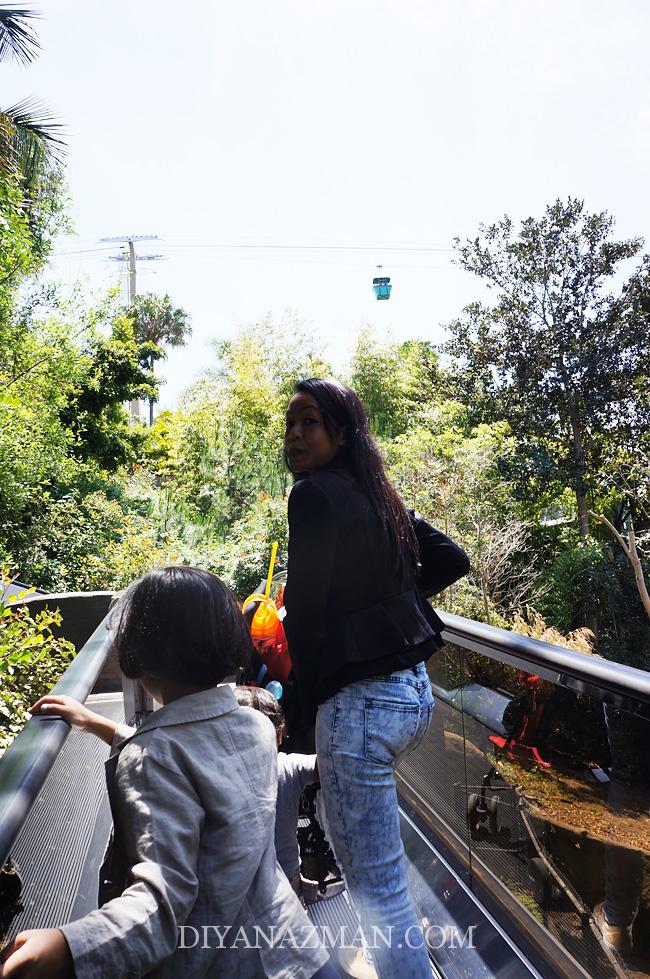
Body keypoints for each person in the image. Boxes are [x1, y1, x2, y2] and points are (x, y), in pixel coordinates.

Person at [0, 567, 337, 979]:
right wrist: (94, 722)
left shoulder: (151, 758)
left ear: (139, 655)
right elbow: (200, 753)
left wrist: (70, 947)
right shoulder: (256, 727)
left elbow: (163, 903)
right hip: (296, 950)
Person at [283, 379, 470, 979]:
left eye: (309, 421)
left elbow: (306, 618)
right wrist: (388, 611)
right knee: (380, 880)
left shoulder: (313, 496)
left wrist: (302, 722)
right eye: (289, 423)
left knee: (378, 894)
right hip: (412, 697)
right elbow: (451, 559)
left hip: (359, 712)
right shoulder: (377, 496)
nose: (295, 434)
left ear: (342, 433)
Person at [233, 685, 318, 900]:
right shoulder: (287, 766)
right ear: (279, 734)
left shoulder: (217, 776)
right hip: (286, 885)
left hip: (239, 890)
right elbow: (332, 765)